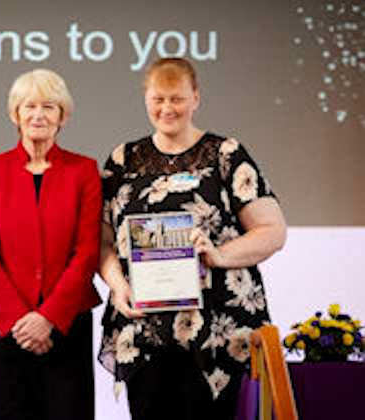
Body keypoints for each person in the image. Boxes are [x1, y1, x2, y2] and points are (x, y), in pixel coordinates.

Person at [98, 57, 287, 419]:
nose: (167, 108)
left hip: (217, 331)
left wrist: (218, 254)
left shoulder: (226, 154)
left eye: (177, 98)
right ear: (146, 100)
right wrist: (117, 284)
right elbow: (101, 241)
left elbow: (273, 231)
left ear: (196, 98)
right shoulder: (123, 159)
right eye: (158, 99)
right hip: (144, 329)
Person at [0, 69, 102, 420]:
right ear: (16, 114)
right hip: (7, 328)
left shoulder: (84, 171)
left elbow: (87, 251)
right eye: (29, 106)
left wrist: (49, 318)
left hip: (67, 325)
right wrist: (19, 318)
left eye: (49, 106)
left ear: (63, 116)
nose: (38, 115)